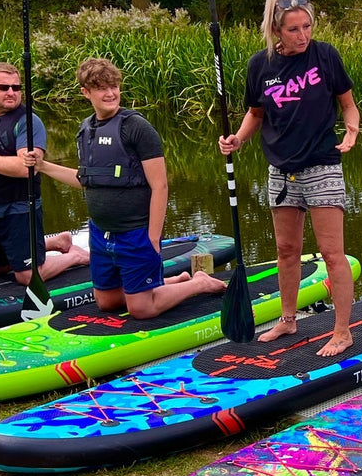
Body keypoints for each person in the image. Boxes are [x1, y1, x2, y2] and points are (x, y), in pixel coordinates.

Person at [217, 0, 361, 356]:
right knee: (285, 249)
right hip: (281, 170)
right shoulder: (259, 66)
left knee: (332, 252)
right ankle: (287, 318)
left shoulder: (326, 57)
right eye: (293, 29)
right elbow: (255, 113)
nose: (303, 36)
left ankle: (342, 331)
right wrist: (238, 139)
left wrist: (352, 128)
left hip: (322, 165)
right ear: (276, 30)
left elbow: (347, 104)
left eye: (307, 27)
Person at [34, 57, 224, 318]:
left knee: (141, 309)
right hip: (101, 234)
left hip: (135, 233)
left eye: (114, 86)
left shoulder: (137, 128)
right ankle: (171, 282)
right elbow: (84, 180)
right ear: (86, 92)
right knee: (107, 302)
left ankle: (198, 283)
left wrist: (153, 238)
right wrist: (43, 166)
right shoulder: (85, 130)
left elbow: (160, 185)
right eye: (101, 88)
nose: (110, 93)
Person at [0, 60, 88, 284]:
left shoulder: (29, 122)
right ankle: (56, 242)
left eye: (16, 88)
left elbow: (27, 169)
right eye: (4, 88)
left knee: (26, 275)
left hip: (20, 207)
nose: (12, 92)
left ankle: (74, 256)